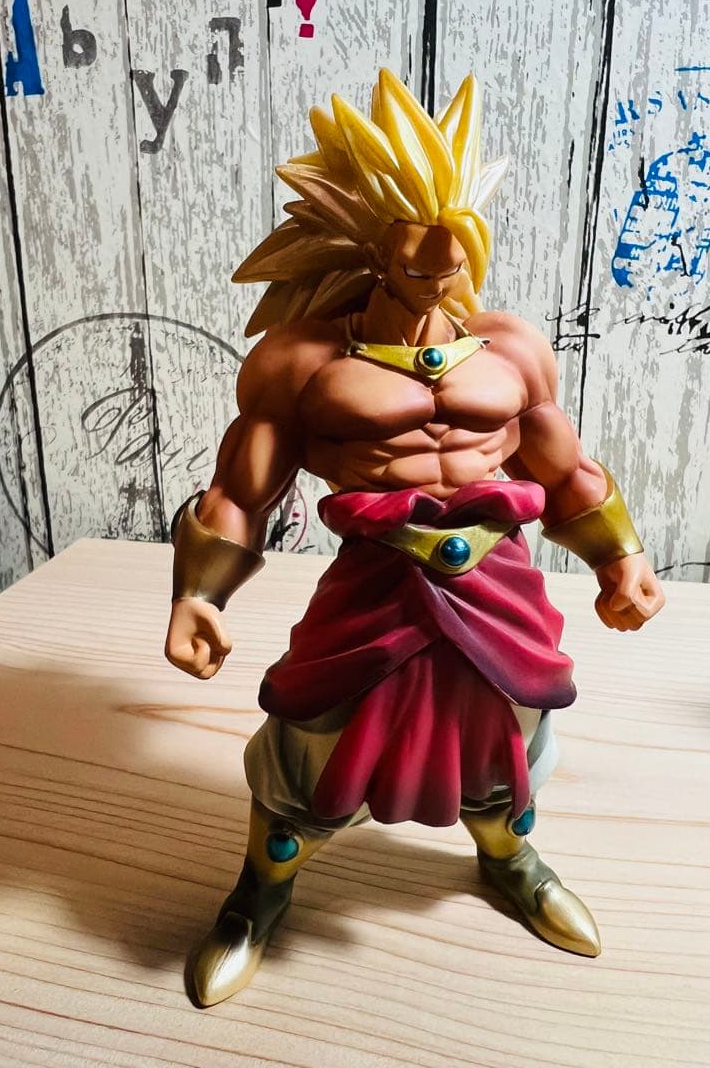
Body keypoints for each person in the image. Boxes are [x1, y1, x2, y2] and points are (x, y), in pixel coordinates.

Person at [165, 69, 665, 1008]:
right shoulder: (304, 361)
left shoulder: (512, 348)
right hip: (377, 589)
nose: (441, 274)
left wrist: (620, 555)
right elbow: (241, 487)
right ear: (369, 245)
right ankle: (259, 894)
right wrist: (198, 594)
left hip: (499, 587)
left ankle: (510, 861)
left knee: (510, 734)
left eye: (455, 252)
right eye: (419, 257)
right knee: (312, 744)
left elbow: (562, 469)